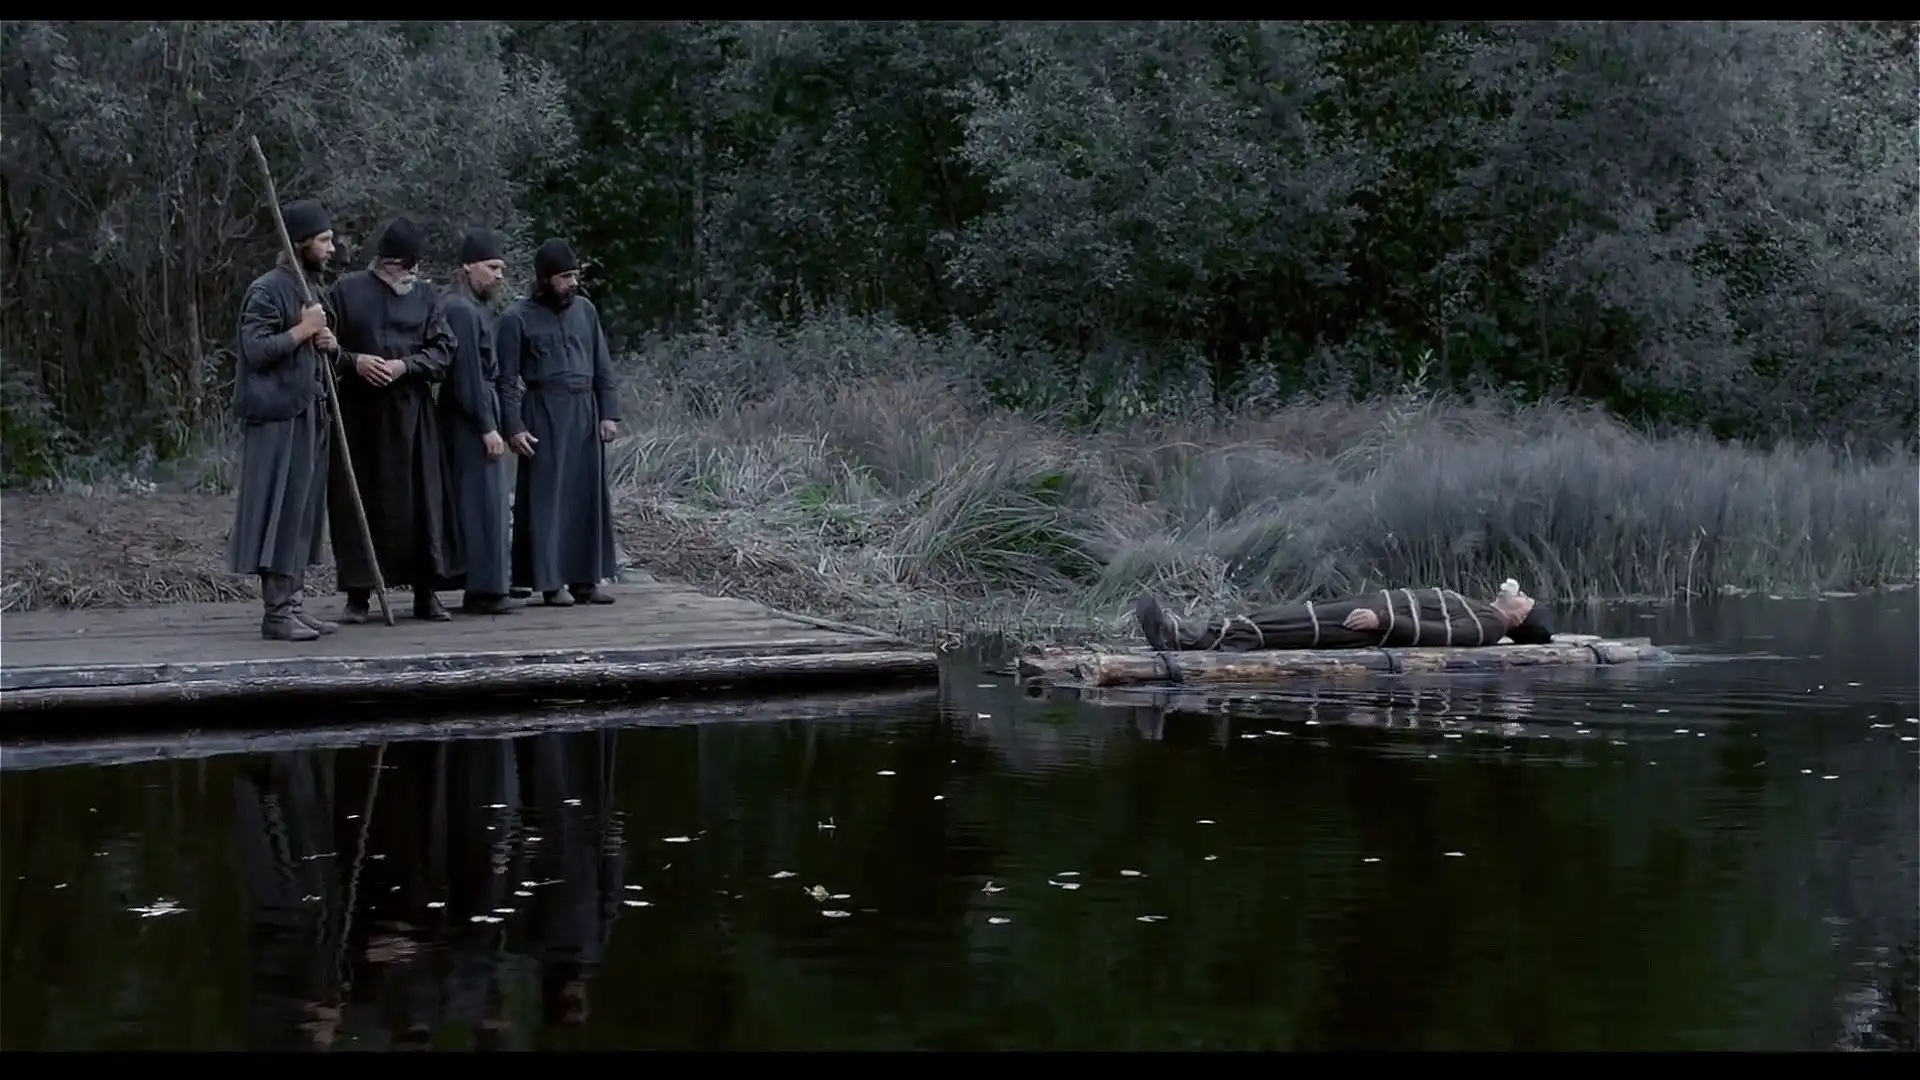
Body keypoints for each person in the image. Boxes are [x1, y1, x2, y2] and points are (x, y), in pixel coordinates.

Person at [323, 216, 463, 623]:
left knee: (421, 504)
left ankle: (426, 593)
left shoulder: (426, 297)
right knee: (358, 502)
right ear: (387, 263)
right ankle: (358, 595)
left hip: (412, 414)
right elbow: (324, 345)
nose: (412, 274)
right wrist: (354, 361)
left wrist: (406, 365)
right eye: (406, 266)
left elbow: (443, 350)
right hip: (360, 417)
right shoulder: (345, 291)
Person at [225, 198, 339, 643]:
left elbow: (312, 345)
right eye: (324, 240)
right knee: (279, 511)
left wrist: (327, 342)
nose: (332, 248)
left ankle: (293, 604)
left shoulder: (310, 289)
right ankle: (276, 613)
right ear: (301, 243)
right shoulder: (267, 290)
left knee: (301, 513)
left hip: (309, 412)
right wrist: (303, 331)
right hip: (277, 418)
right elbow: (255, 350)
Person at [496, 238, 622, 607]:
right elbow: (506, 380)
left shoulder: (586, 311)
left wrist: (608, 413)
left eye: (574, 275)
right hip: (544, 410)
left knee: (585, 495)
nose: (572, 283)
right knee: (547, 498)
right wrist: (513, 426)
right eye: (565, 277)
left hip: (584, 411)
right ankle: (551, 583)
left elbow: (602, 366)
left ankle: (585, 580)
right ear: (545, 279)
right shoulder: (516, 318)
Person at [439, 227, 520, 615]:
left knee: (489, 503)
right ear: (469, 267)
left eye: (501, 268)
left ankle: (489, 585)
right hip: (469, 419)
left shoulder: (473, 308)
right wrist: (487, 426)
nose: (499, 275)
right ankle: (485, 588)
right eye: (492, 267)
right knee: (482, 504)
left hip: (477, 410)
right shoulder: (460, 310)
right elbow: (467, 374)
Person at [1132, 579, 1556, 652]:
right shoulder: (1486, 611)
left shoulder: (1489, 625)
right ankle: (1187, 633)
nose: (1523, 596)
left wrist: (1383, 622)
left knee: (1286, 627)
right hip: (1368, 609)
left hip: (1369, 624)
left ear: (1521, 620)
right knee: (1280, 617)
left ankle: (1181, 638)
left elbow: (1440, 636)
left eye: (1527, 601)